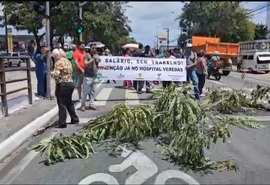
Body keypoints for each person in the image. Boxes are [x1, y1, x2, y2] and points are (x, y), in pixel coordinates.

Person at [50, 48, 79, 128]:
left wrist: (50, 72)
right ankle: (74, 119)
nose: (54, 59)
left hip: (63, 84)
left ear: (56, 55)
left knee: (61, 103)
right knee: (69, 102)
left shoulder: (58, 63)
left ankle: (62, 122)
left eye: (54, 57)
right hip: (70, 83)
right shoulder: (67, 61)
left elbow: (56, 74)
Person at [80, 45, 99, 111]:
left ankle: (91, 104)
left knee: (93, 91)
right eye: (92, 48)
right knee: (85, 92)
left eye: (95, 48)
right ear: (90, 48)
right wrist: (92, 59)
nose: (94, 49)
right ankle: (83, 105)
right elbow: (85, 63)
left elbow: (97, 65)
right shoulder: (87, 55)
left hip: (94, 76)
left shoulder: (96, 55)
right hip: (88, 76)